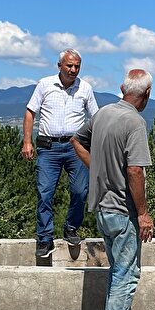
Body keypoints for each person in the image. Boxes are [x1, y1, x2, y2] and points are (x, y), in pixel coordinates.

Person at [72, 69, 155, 310]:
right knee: (127, 273)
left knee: (117, 270)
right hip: (122, 209)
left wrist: (96, 168)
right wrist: (142, 214)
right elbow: (135, 171)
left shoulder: (103, 113)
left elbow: (76, 141)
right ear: (146, 94)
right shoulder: (135, 123)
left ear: (122, 88)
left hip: (102, 207)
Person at [22, 48, 99, 259]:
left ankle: (71, 228)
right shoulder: (45, 85)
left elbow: (96, 117)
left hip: (76, 147)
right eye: (69, 65)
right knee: (45, 193)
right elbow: (30, 112)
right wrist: (27, 141)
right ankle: (44, 238)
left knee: (80, 191)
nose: (73, 70)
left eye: (77, 66)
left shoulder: (85, 88)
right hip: (48, 147)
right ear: (59, 66)